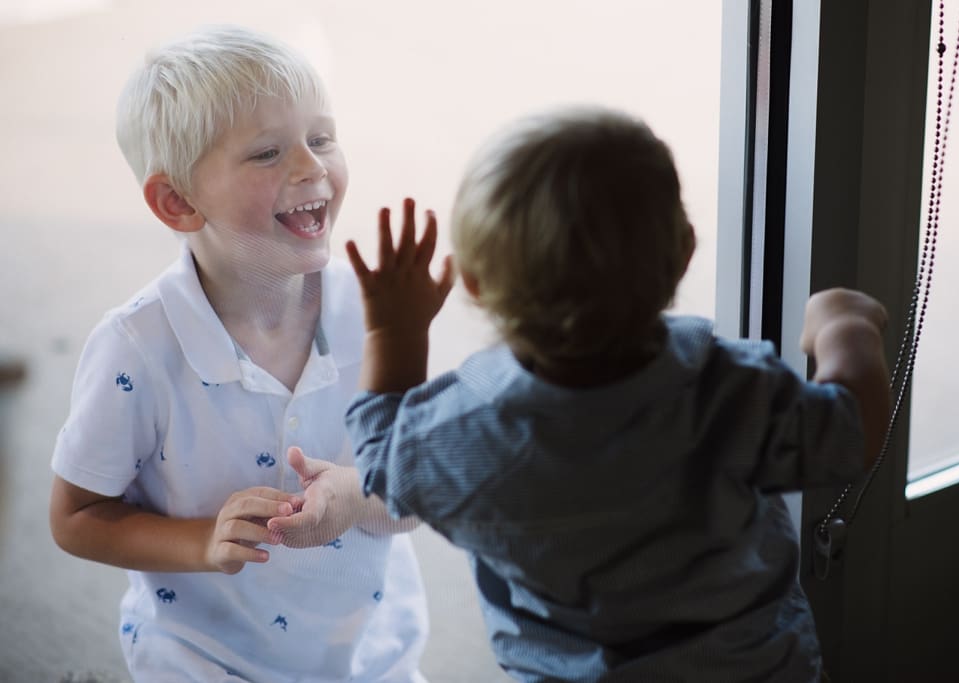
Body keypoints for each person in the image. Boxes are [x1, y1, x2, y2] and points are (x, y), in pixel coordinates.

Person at [270, 106, 891, 682]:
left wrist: (397, 331)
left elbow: (383, 463)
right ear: (684, 254)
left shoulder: (465, 435)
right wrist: (846, 327)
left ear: (476, 285)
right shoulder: (729, 390)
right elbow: (852, 433)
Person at [49, 25, 429, 682]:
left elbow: (424, 489)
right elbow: (76, 517)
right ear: (178, 201)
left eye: (321, 139)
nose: (311, 167)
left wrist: (355, 493)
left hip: (371, 654)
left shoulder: (374, 313)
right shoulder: (136, 348)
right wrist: (204, 541)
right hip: (202, 658)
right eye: (268, 152)